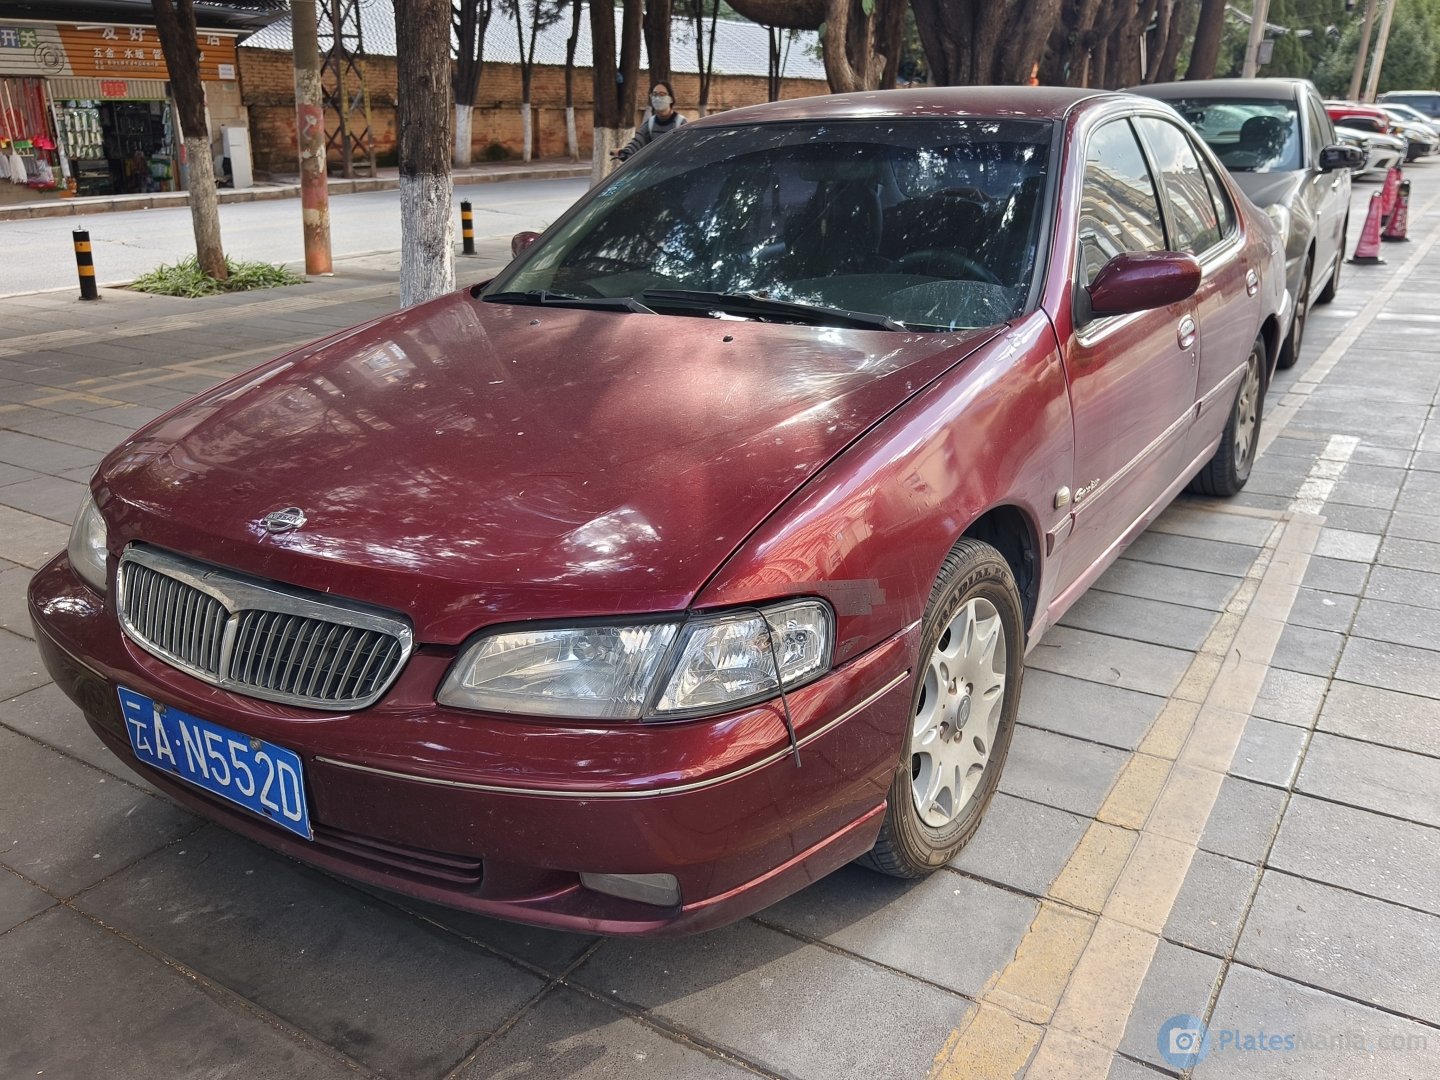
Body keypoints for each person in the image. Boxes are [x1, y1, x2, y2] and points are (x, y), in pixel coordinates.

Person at [613, 82, 687, 162]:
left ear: (671, 99)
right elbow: (637, 143)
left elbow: (686, 149)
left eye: (662, 94)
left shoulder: (680, 123)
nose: (657, 98)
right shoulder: (650, 123)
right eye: (654, 94)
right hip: (654, 168)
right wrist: (624, 153)